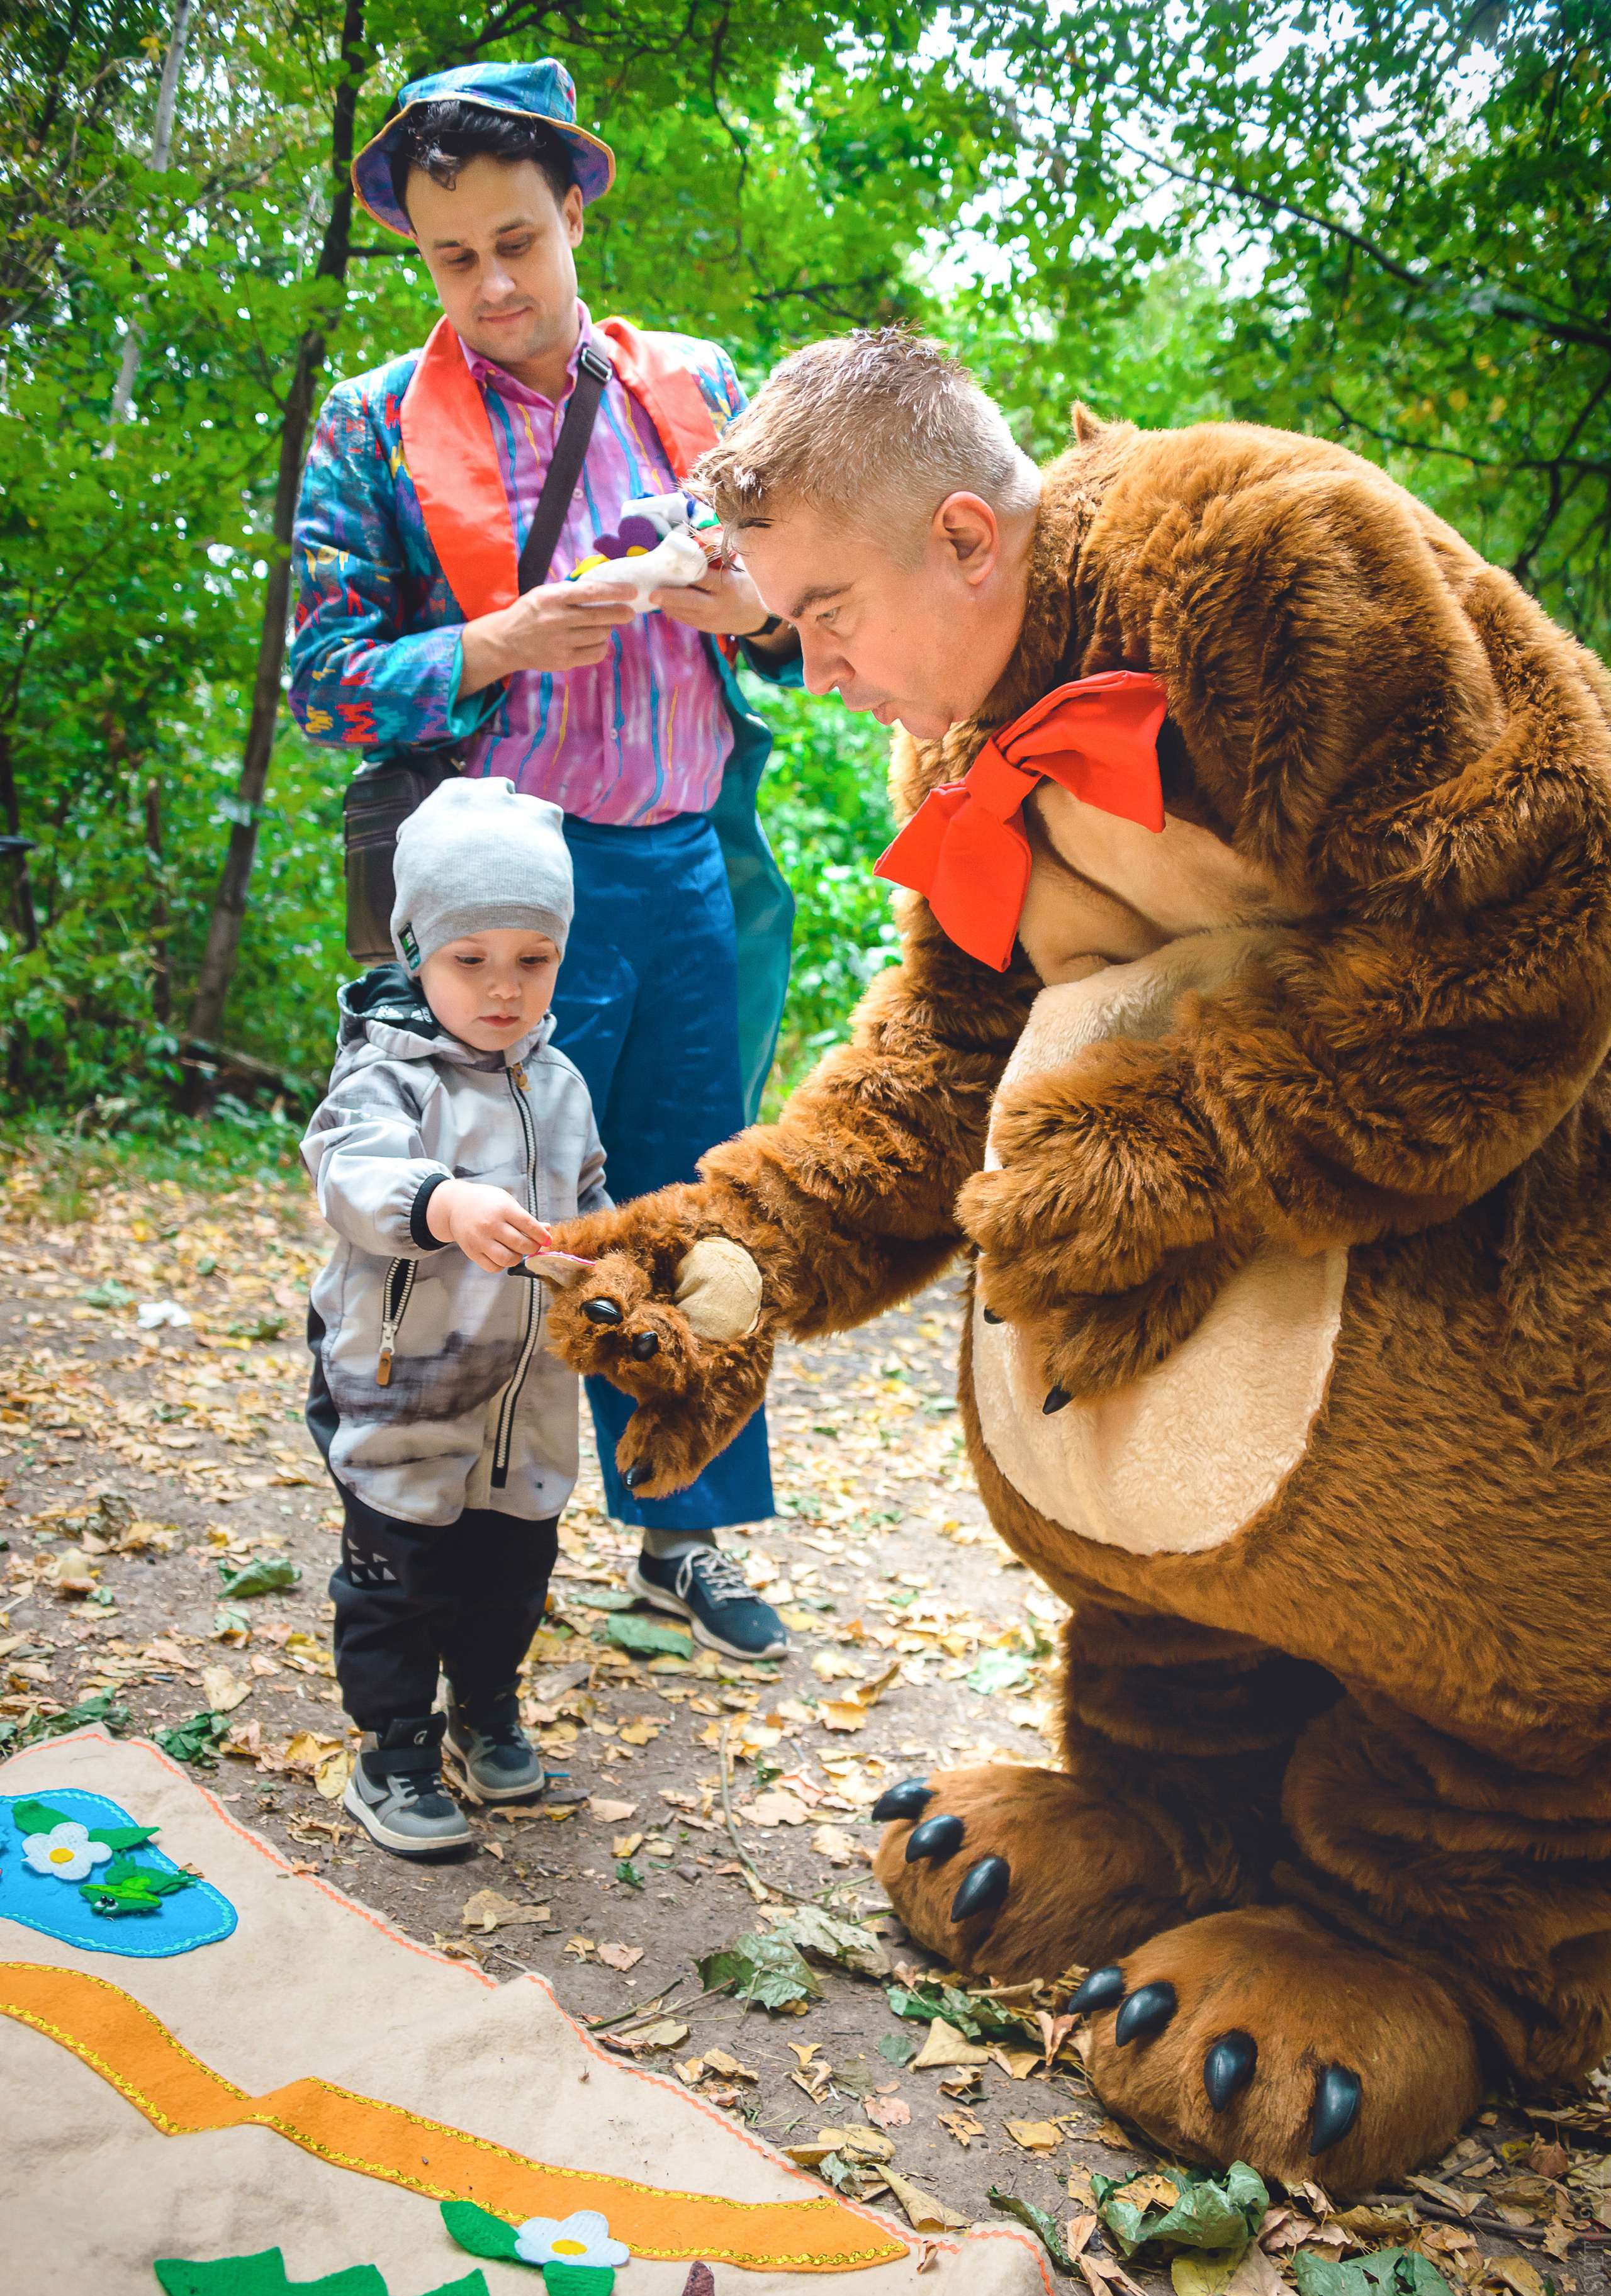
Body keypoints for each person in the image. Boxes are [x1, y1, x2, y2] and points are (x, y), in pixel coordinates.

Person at [533, 328, 1611, 2196]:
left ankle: (1436, 1949)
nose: (812, 659)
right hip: (1224, 1315)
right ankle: (1171, 1817)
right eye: (784, 621)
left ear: (966, 536)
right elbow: (934, 1064)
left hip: (1510, 1235)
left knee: (1489, 1675)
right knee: (1170, 1625)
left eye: (826, 608)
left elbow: (1539, 891)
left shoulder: (1270, 555)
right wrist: (743, 1244)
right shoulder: (961, 739)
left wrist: (1185, 1143)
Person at [290, 57, 796, 1661]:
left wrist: (758, 613)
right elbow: (321, 678)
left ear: (574, 210)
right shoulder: (373, 428)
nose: (494, 284)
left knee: (690, 1203)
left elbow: (815, 623)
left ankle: (689, 1531)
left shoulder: (703, 389)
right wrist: (494, 640)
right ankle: (429, 1534)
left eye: (519, 239)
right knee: (477, 1227)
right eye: (454, 258)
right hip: (494, 908)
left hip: (683, 864)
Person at [301, 778, 602, 1857]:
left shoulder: (560, 1085)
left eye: (534, 959)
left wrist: (605, 1268)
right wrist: (441, 1200)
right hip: (404, 1389)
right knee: (401, 1583)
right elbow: (348, 1171)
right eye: (471, 960)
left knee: (510, 1574)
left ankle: (485, 1713)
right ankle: (391, 1749)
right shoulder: (385, 1073)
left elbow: (593, 1202)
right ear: (417, 951)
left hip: (523, 1405)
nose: (504, 989)